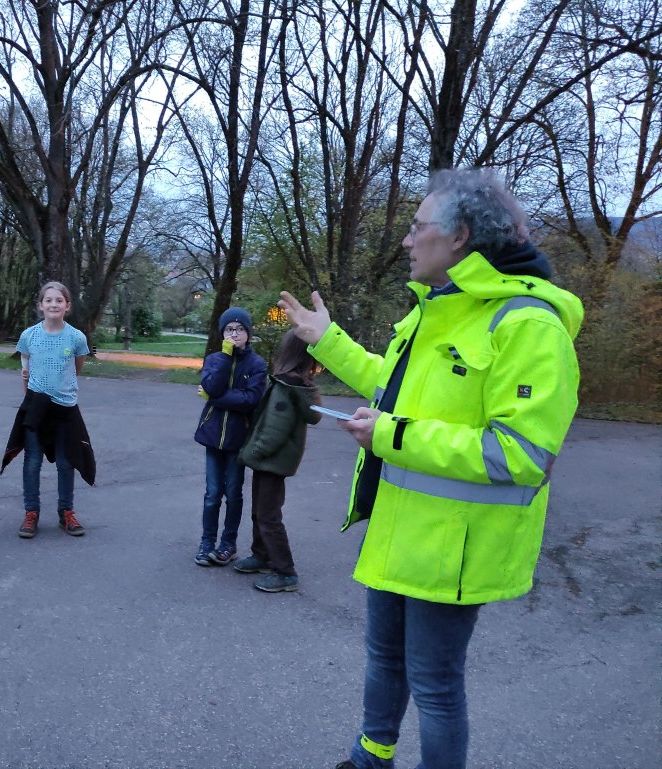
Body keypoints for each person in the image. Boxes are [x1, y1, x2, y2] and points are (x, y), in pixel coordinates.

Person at [278, 168, 583, 769]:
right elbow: (390, 387)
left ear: (460, 236)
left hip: (457, 549)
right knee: (384, 661)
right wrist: (326, 339)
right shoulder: (435, 310)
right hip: (401, 529)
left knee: (437, 688)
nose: (407, 240)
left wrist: (389, 435)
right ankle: (372, 758)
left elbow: (519, 455)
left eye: (418, 228)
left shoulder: (528, 324)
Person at [1, 281, 94, 539]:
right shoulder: (29, 336)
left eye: (59, 300)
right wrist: (32, 402)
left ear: (67, 306)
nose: (54, 304)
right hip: (36, 409)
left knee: (66, 462)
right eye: (48, 300)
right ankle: (31, 513)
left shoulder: (76, 338)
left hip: (65, 409)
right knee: (32, 462)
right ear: (41, 305)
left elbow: (76, 369)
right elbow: (25, 372)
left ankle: (67, 512)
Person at [234, 330, 322, 592]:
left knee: (268, 516)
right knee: (260, 511)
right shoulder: (292, 383)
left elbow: (275, 429)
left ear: (288, 354)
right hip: (272, 463)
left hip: (272, 461)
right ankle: (261, 555)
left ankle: (285, 572)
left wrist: (251, 453)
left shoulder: (286, 387)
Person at [193, 307, 267, 567]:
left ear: (248, 333)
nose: (234, 334)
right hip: (213, 436)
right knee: (212, 493)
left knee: (233, 493)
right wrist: (226, 355)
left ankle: (228, 544)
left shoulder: (257, 364)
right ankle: (206, 542)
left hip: (239, 438)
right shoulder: (215, 359)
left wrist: (215, 397)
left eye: (239, 329)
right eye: (228, 329)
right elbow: (213, 384)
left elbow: (250, 400)